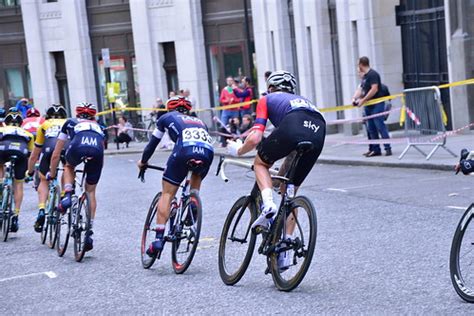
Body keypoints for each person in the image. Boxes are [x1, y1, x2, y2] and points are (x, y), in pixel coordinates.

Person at [227, 70, 326, 269]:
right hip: (318, 129)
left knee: (260, 164)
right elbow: (291, 143)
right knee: (289, 190)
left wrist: (238, 149)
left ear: (271, 88)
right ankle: (287, 249)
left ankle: (268, 205)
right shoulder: (302, 100)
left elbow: (255, 138)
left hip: (293, 125)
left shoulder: (267, 99)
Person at [137, 96, 214, 257]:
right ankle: (192, 202)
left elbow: (152, 143)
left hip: (183, 151)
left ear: (169, 108)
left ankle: (158, 239)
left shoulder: (166, 117)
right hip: (207, 153)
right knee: (195, 175)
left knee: (167, 193)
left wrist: (143, 161)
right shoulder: (199, 122)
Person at [48, 102, 105, 252]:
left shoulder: (70, 122)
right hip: (97, 151)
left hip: (78, 145)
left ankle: (67, 194)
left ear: (77, 113)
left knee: (69, 166)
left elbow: (56, 154)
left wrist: (52, 173)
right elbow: (101, 151)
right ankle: (89, 231)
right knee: (91, 192)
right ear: (94, 115)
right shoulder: (99, 126)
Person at [27, 104, 68, 232]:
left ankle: (41, 209)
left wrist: (30, 170)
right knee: (68, 168)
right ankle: (63, 196)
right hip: (66, 147)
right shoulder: (68, 122)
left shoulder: (44, 124)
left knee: (43, 179)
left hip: (49, 148)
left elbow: (35, 153)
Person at [0, 112, 34, 232]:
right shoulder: (28, 133)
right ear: (21, 124)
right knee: (18, 184)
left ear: (6, 122)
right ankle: (15, 215)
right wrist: (31, 171)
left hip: (4, 149)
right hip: (21, 151)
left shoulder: (2, 129)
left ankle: (1, 186)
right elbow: (31, 155)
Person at [352, 56, 392, 157]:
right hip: (368, 105)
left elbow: (374, 89)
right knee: (371, 128)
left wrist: (363, 100)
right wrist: (354, 98)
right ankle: (375, 149)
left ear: (361, 64)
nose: (358, 67)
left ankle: (388, 148)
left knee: (380, 125)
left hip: (377, 104)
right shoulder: (365, 77)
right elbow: (361, 90)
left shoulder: (373, 74)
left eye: (358, 64)